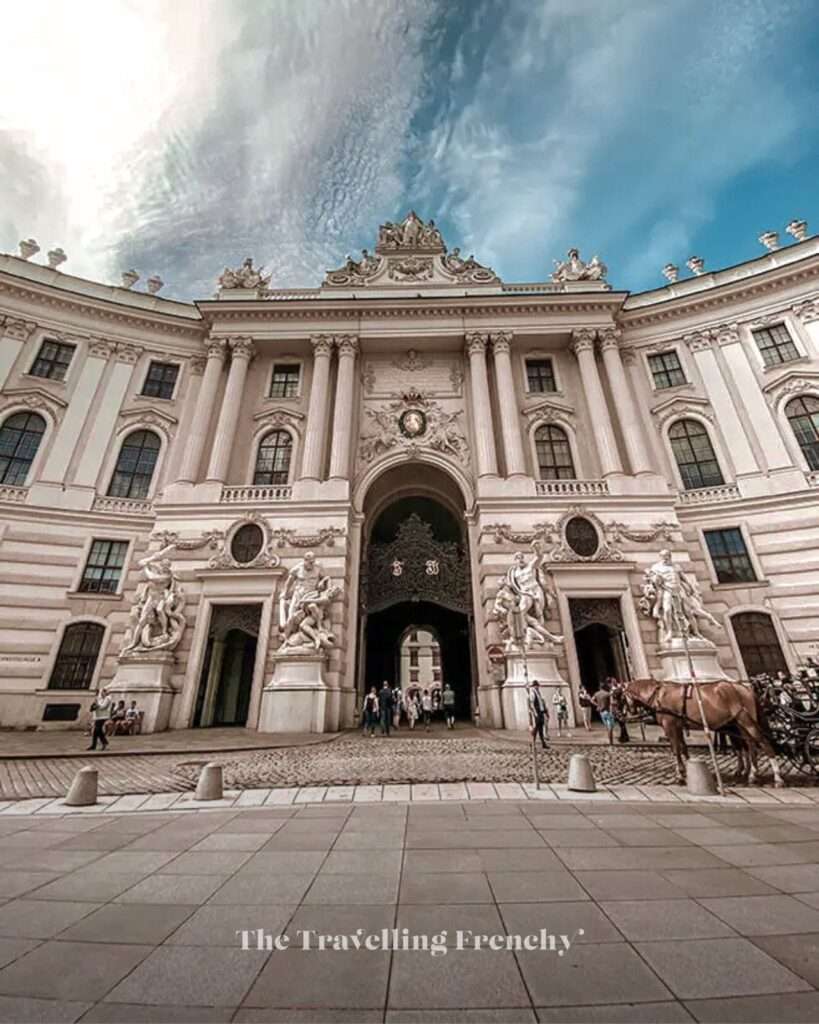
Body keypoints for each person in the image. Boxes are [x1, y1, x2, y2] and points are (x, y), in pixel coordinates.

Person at [527, 681, 549, 749]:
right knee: (536, 728)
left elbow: (541, 703)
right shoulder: (533, 693)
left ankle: (543, 743)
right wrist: (535, 713)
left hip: (541, 712)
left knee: (540, 728)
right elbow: (532, 704)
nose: (538, 687)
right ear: (534, 686)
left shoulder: (538, 693)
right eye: (537, 686)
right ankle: (532, 742)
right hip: (537, 713)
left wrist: (545, 711)